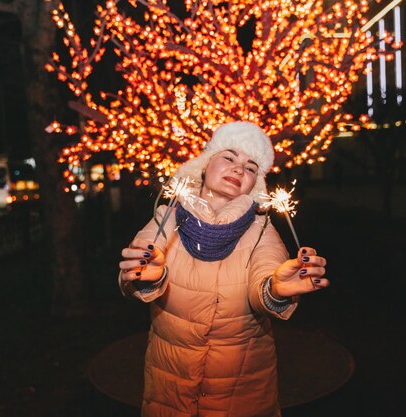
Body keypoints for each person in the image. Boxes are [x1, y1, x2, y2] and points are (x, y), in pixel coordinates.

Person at [119, 121, 329, 417]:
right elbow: (135, 268)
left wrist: (276, 291)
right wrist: (147, 278)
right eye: (229, 157)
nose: (239, 169)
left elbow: (265, 278)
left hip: (242, 392)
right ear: (204, 166)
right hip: (171, 386)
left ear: (255, 184)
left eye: (251, 167)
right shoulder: (166, 217)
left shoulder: (261, 229)